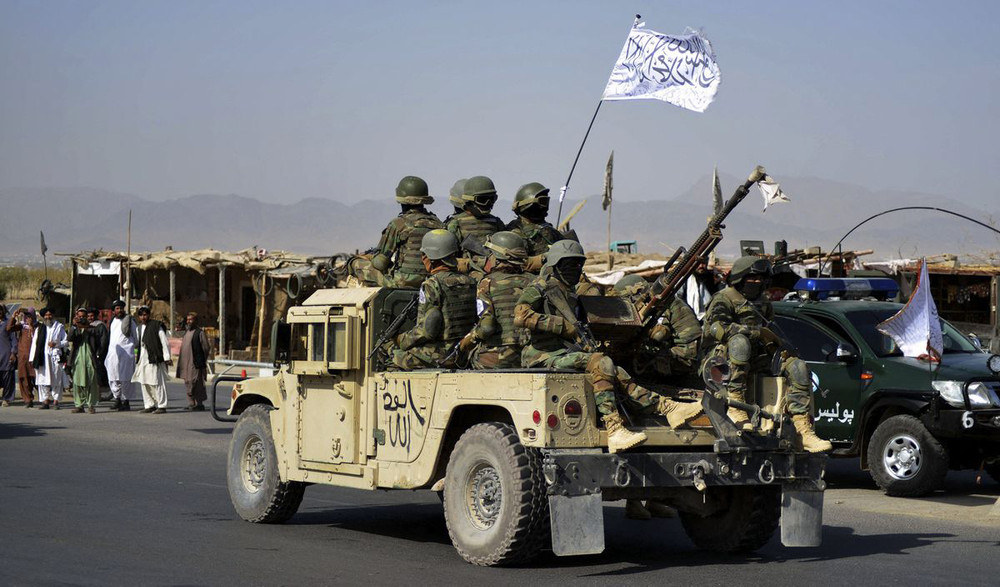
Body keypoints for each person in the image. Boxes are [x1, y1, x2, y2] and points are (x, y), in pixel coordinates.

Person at [514, 240, 702, 453]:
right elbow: (520, 315)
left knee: (614, 369)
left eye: (578, 264)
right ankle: (614, 429)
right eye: (568, 264)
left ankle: (668, 408)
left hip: (564, 352)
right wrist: (561, 326)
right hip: (542, 356)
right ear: (556, 265)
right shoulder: (540, 287)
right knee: (601, 362)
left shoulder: (572, 294)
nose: (575, 269)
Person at [700, 256, 832, 453]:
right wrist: (755, 332)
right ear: (740, 278)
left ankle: (802, 431)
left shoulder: (763, 303)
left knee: (797, 366)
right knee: (740, 342)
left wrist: (778, 347)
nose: (757, 282)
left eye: (761, 278)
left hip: (755, 357)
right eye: (752, 278)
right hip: (720, 361)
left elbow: (769, 330)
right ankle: (737, 406)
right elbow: (717, 329)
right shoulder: (724, 298)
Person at [391, 230, 478, 370]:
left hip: (440, 355)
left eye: (423, 255)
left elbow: (428, 330)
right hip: (464, 353)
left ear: (430, 258)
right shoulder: (471, 281)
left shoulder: (432, 284)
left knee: (391, 355)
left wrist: (402, 340)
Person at [457, 232, 533, 369]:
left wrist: (467, 341)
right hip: (530, 355)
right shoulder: (535, 281)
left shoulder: (486, 283)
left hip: (500, 357)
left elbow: (486, 327)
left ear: (496, 257)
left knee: (468, 359)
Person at [612, 275, 702, 380]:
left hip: (671, 374)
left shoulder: (673, 306)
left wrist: (651, 357)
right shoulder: (622, 313)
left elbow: (691, 355)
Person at [364, 176, 444, 288]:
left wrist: (370, 257)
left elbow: (381, 263)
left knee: (356, 263)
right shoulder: (438, 224)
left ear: (401, 200)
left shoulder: (399, 224)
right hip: (432, 280)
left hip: (402, 282)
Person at [445, 175, 505, 274]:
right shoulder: (455, 223)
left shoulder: (496, 222)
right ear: (469, 200)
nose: (488, 203)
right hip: (467, 275)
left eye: (492, 198)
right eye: (482, 200)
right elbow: (448, 258)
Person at [506, 182, 567, 273]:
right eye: (542, 201)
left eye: (546, 201)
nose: (545, 206)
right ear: (528, 204)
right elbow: (516, 263)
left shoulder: (548, 229)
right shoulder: (515, 231)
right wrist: (543, 258)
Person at [132, 306, 171, 414]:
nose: (143, 317)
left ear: (149, 315)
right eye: (141, 315)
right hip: (143, 358)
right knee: (144, 382)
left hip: (154, 358)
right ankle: (149, 405)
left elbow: (164, 342)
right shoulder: (139, 328)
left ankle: (162, 405)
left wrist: (167, 357)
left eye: (145, 315)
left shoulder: (156, 326)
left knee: (157, 382)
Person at [29, 307, 68, 410]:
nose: (48, 317)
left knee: (56, 379)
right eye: (46, 315)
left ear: (53, 315)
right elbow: (34, 344)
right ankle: (45, 401)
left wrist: (56, 344)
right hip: (42, 358)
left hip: (55, 357)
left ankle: (56, 401)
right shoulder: (39, 329)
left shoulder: (59, 327)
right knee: (42, 380)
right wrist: (32, 358)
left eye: (50, 315)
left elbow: (66, 342)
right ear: (43, 317)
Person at [105, 300, 137, 411]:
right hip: (113, 354)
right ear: (114, 311)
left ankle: (126, 401)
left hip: (126, 355)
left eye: (121, 308)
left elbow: (136, 337)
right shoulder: (112, 321)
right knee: (113, 377)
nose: (120, 310)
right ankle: (117, 399)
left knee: (126, 378)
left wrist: (132, 349)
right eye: (117, 308)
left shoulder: (130, 321)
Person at [67, 307, 101, 413]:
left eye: (84, 317)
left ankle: (91, 405)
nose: (82, 319)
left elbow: (96, 337)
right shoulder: (75, 328)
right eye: (80, 317)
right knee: (77, 382)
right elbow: (70, 338)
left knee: (91, 381)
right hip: (77, 358)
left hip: (89, 358)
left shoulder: (92, 328)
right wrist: (74, 326)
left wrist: (85, 327)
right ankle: (79, 405)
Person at [176, 312, 211, 411]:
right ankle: (191, 403)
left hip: (195, 362)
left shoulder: (200, 333)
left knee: (195, 382)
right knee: (187, 381)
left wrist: (201, 358)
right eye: (187, 320)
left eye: (191, 319)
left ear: (196, 321)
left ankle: (199, 403)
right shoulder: (187, 332)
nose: (188, 321)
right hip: (185, 362)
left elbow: (206, 348)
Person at [7, 307, 37, 407]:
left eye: (30, 316)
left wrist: (32, 327)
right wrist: (13, 317)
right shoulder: (21, 326)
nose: (28, 318)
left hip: (35, 357)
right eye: (26, 316)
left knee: (35, 378)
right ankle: (28, 399)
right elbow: (9, 328)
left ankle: (43, 397)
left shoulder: (38, 327)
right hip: (23, 357)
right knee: (24, 378)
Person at [87, 307, 109, 389]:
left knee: (98, 371)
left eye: (91, 316)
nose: (90, 318)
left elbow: (103, 341)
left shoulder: (100, 326)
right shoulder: (86, 326)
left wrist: (99, 352)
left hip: (97, 353)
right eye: (88, 316)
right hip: (88, 353)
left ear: (96, 316)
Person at [0, 305, 17, 407]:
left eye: (0, 310)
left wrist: (13, 353)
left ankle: (6, 399)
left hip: (6, 355)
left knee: (7, 378)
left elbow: (14, 339)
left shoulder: (8, 324)